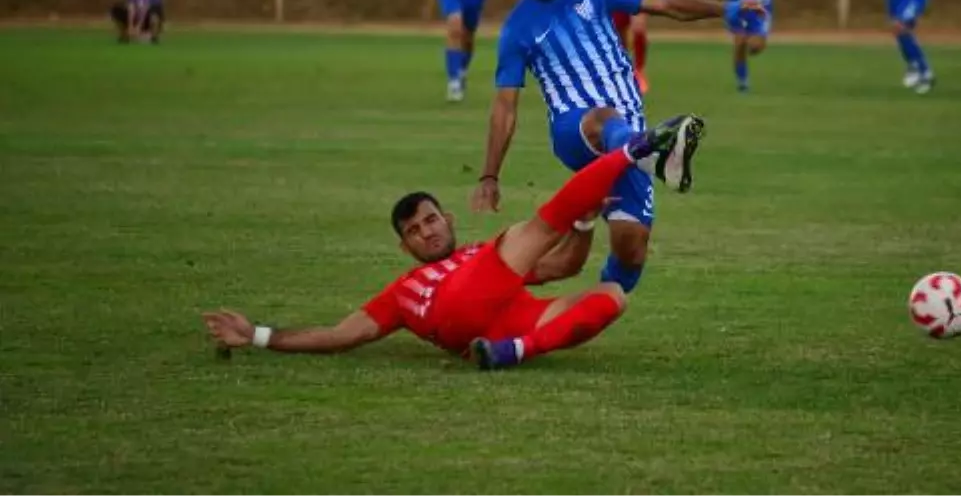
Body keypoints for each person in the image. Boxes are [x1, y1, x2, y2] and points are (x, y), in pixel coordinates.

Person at [202, 115, 700, 370]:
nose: (427, 232)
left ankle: (514, 352)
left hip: (496, 328)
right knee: (533, 229)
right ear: (406, 249)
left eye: (430, 220)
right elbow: (340, 335)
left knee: (612, 297)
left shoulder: (482, 259)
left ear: (448, 218)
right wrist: (259, 335)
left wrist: (587, 225)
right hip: (456, 301)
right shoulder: (406, 288)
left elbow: (566, 265)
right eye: (415, 232)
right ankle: (641, 148)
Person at [472, 0, 762, 295]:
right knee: (603, 118)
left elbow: (666, 5)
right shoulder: (517, 28)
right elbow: (505, 107)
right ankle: (656, 153)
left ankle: (575, 300)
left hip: (626, 139)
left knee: (631, 250)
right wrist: (490, 176)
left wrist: (723, 9)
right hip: (575, 129)